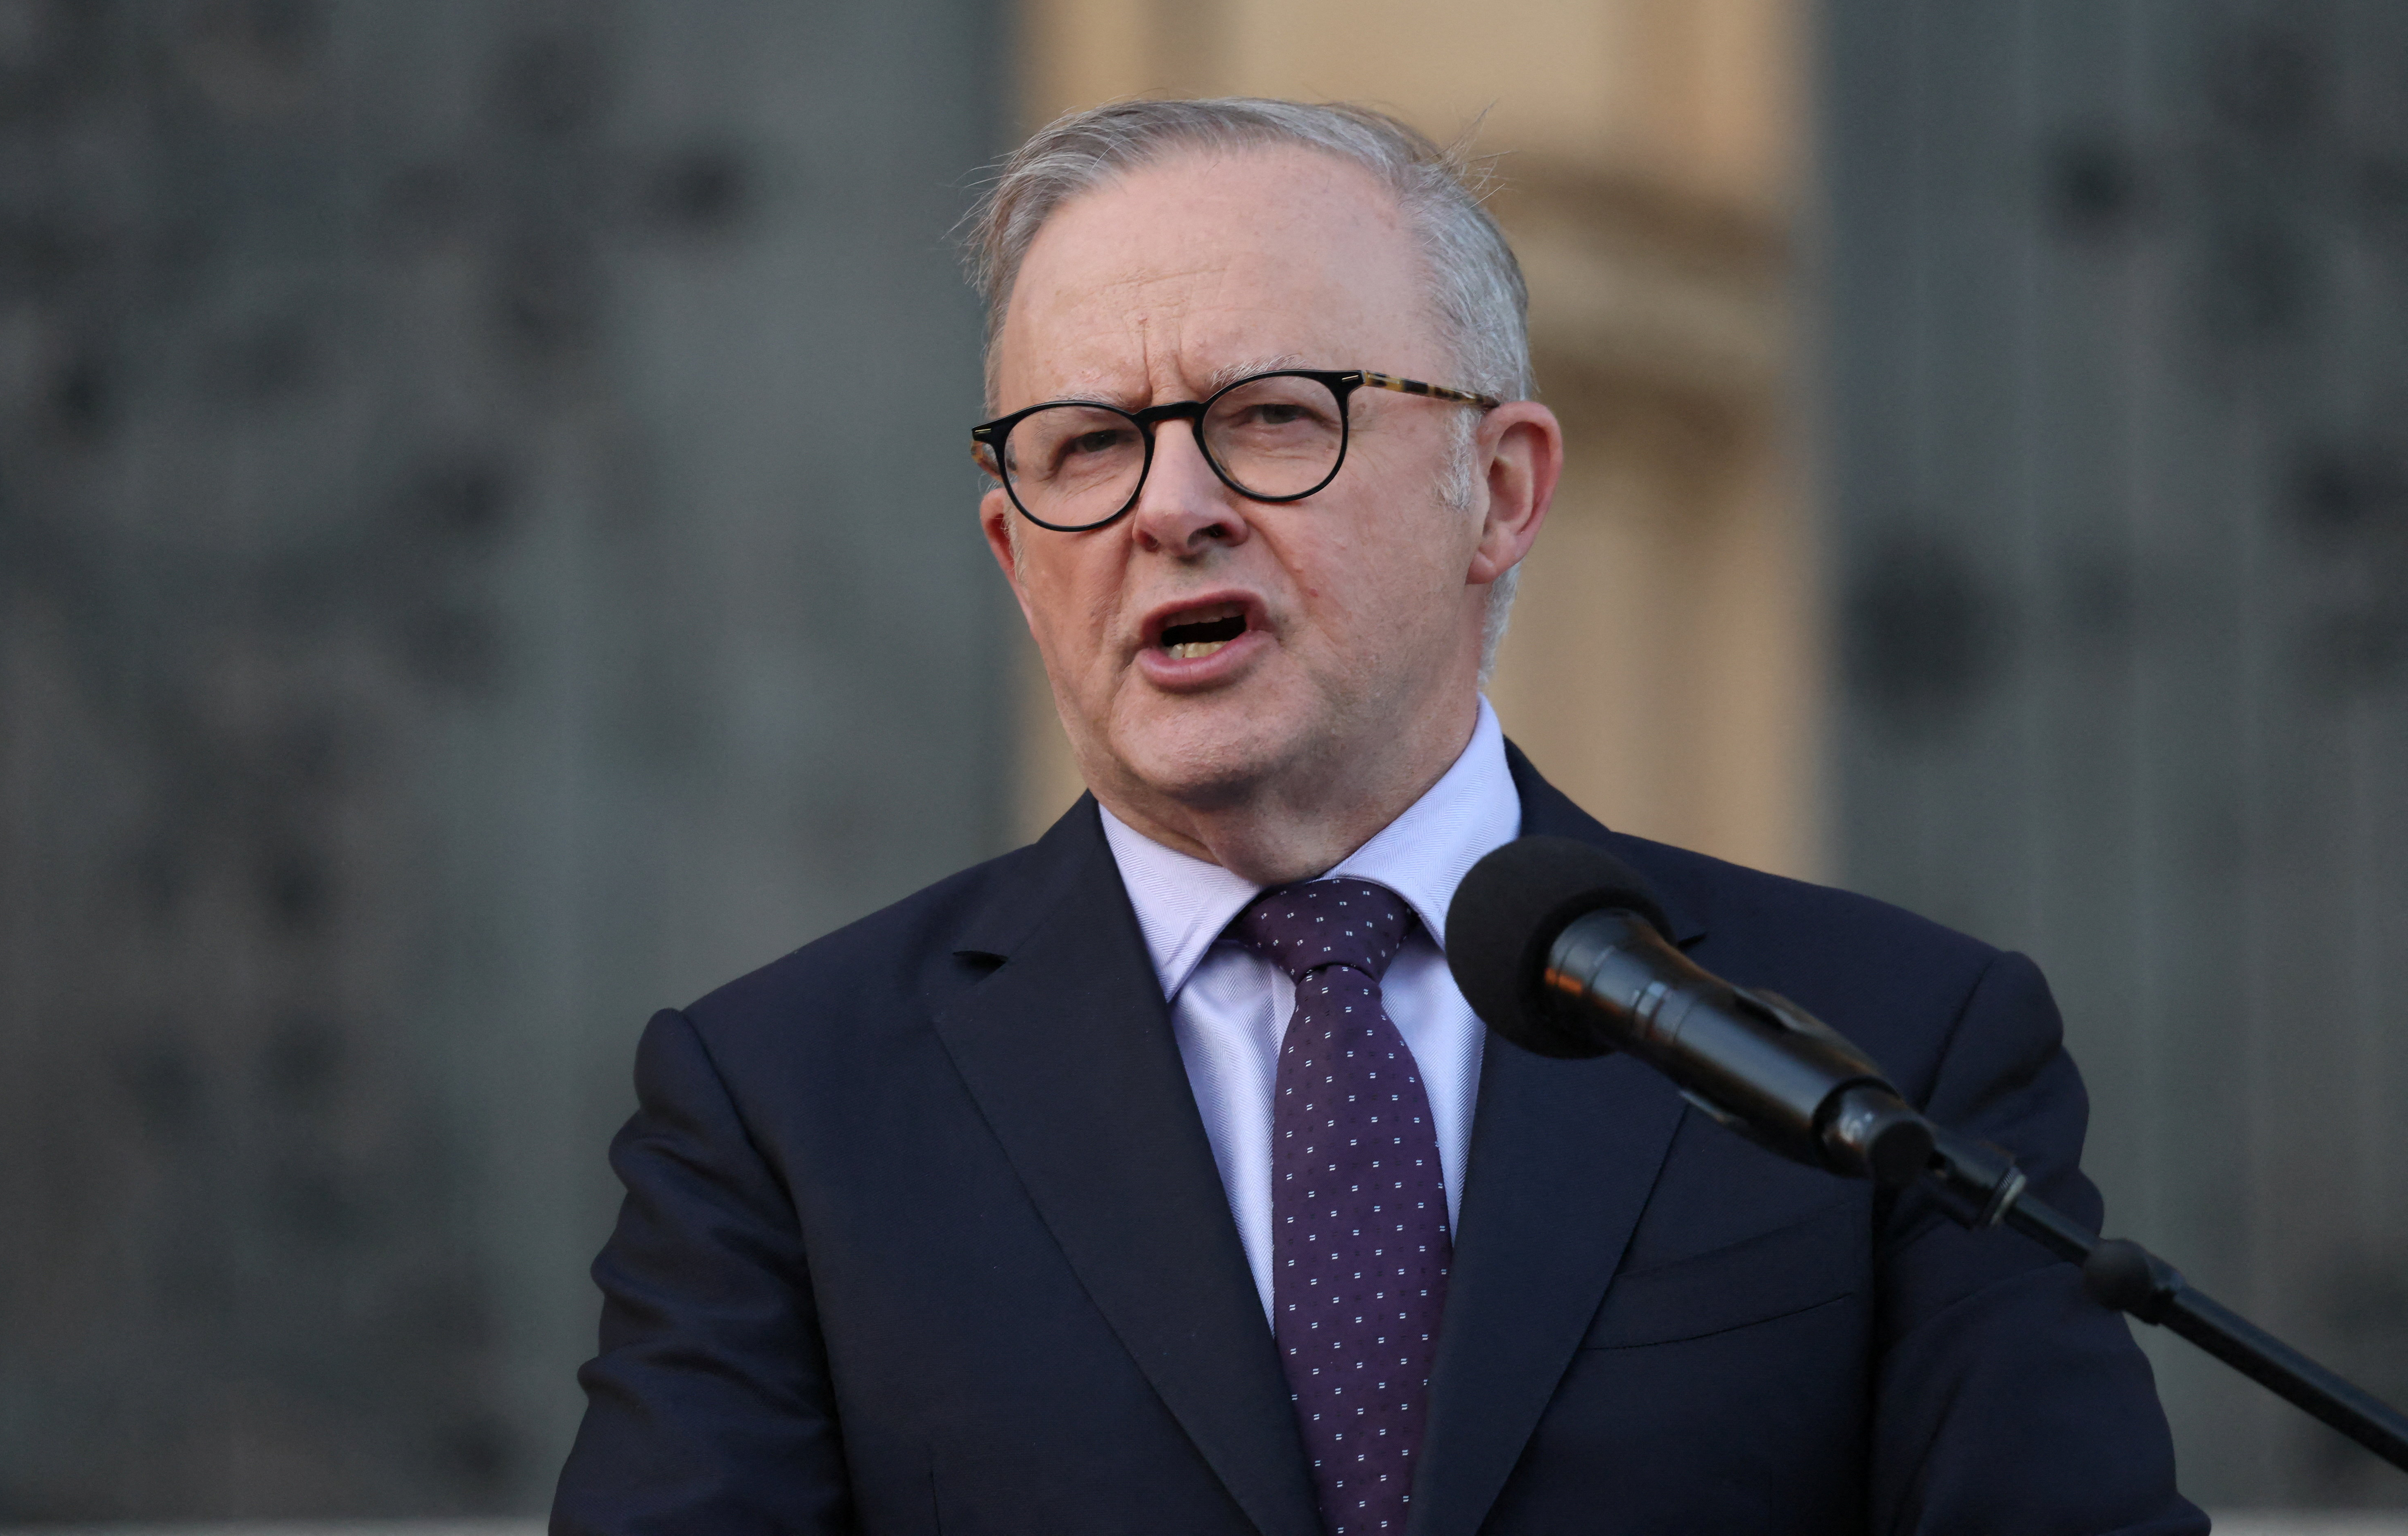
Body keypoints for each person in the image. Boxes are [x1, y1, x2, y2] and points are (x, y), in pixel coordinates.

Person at [553, 99, 2204, 1536]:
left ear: (1500, 489)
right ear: (1014, 551)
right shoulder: (786, 1105)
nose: (1169, 508)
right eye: (1086, 446)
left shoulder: (1895, 1047)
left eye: (1272, 415)